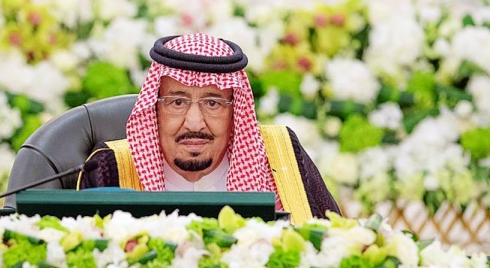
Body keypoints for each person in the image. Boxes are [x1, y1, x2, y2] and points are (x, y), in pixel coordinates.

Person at [77, 33, 340, 224]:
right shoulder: (111, 168)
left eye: (212, 103)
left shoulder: (281, 154)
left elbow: (333, 246)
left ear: (234, 111)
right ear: (154, 108)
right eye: (177, 102)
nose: (194, 123)